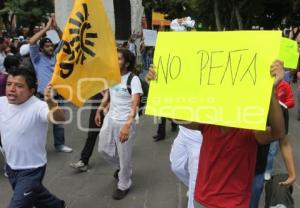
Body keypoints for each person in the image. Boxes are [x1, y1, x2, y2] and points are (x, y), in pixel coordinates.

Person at [147, 60, 286, 208]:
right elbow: (173, 115)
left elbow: (278, 132)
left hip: (234, 204)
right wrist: (156, 87)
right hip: (202, 201)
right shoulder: (208, 123)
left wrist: (270, 92)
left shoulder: (250, 129)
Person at [0, 66, 66, 208]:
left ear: (31, 91)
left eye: (19, 86)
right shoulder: (2, 103)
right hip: (11, 166)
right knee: (36, 194)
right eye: (9, 84)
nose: (11, 89)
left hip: (32, 169)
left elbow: (59, 119)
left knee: (19, 203)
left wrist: (51, 103)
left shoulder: (39, 106)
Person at [96, 48, 143, 200]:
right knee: (103, 149)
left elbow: (135, 105)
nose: (115, 61)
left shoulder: (133, 79)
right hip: (111, 117)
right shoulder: (112, 76)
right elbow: (109, 95)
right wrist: (100, 109)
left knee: (124, 155)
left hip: (125, 121)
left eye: (119, 59)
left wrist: (127, 126)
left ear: (127, 63)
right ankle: (123, 168)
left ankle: (124, 184)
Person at [29, 16, 72, 153]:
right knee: (40, 123)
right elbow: (31, 42)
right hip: (43, 97)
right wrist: (46, 29)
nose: (50, 47)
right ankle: (36, 147)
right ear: (41, 49)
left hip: (58, 95)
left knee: (59, 122)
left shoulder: (56, 56)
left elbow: (66, 40)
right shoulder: (37, 58)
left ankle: (59, 145)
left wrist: (56, 28)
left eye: (51, 45)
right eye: (47, 46)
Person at [69, 93, 104, 171]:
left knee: (112, 137)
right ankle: (84, 161)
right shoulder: (94, 83)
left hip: (110, 111)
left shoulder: (113, 83)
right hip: (96, 110)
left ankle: (120, 162)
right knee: (91, 135)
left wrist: (105, 94)